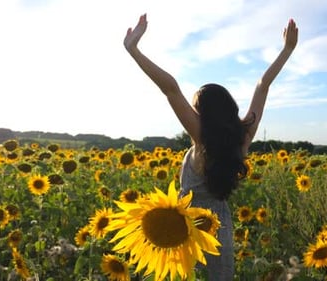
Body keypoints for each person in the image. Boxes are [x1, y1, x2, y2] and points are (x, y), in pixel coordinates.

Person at [124, 13, 298, 281]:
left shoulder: (201, 137)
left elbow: (170, 89)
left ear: (202, 112)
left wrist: (133, 49)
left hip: (182, 224)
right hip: (220, 225)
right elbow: (263, 86)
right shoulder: (243, 137)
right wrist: (287, 50)